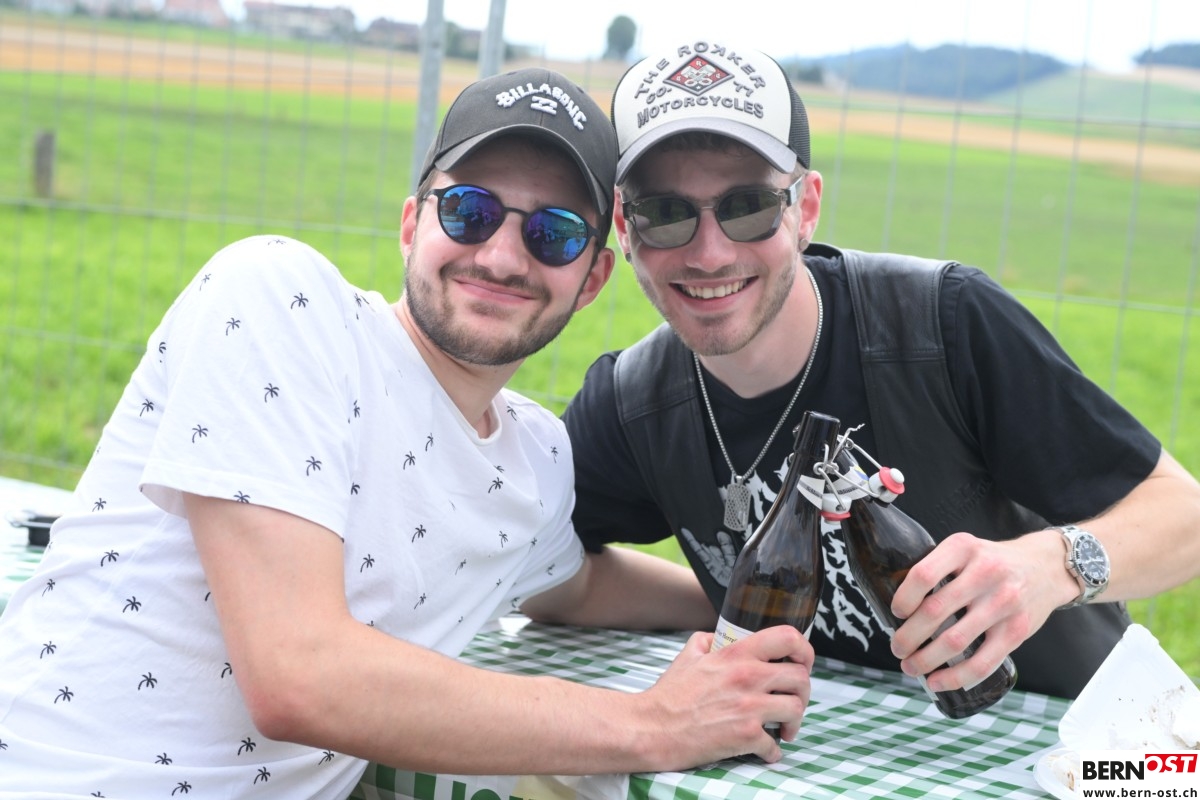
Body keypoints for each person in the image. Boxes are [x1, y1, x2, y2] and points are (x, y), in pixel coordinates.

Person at [0, 67, 815, 799]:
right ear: (410, 224)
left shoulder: (536, 460)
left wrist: (761, 613)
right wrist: (653, 723)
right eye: (469, 211)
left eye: (556, 232)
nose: (502, 256)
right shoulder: (281, 303)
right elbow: (300, 676)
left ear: (593, 277)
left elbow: (578, 587)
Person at [556, 41, 1200, 700]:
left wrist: (1049, 567)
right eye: (666, 215)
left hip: (1074, 731)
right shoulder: (633, 401)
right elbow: (541, 566)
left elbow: (1183, 513)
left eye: (748, 206)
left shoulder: (941, 325)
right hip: (832, 749)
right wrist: (719, 603)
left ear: (805, 209)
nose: (710, 253)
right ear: (625, 229)